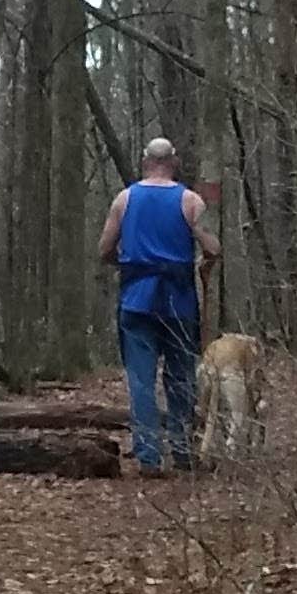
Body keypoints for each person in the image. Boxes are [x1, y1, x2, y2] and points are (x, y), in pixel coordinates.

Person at [97, 135, 216, 472]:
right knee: (181, 379)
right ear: (173, 162)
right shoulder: (191, 201)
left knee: (141, 381)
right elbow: (213, 247)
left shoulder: (124, 199)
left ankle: (148, 456)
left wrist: (127, 263)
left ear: (145, 160)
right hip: (178, 301)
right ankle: (181, 450)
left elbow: (104, 249)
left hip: (136, 301)